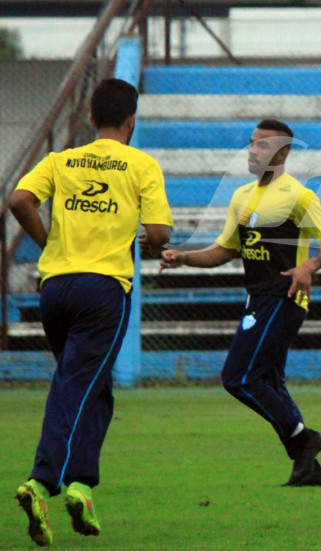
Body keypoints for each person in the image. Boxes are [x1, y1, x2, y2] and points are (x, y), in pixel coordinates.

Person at [9, 78, 173, 546]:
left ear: (89, 119)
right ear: (131, 121)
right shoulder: (141, 164)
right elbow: (160, 233)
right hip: (103, 290)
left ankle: (81, 485)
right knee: (75, 384)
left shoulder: (61, 160)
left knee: (91, 387)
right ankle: (42, 481)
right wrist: (146, 236)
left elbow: (18, 200)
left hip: (55, 287)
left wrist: (48, 243)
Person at [160, 119, 321, 487]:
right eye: (251, 144)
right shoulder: (241, 196)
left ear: (283, 152)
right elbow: (224, 250)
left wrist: (309, 266)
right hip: (258, 298)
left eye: (261, 145)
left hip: (285, 297)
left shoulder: (298, 196)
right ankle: (308, 467)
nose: (252, 151)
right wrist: (183, 257)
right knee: (270, 381)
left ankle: (305, 440)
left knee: (238, 377)